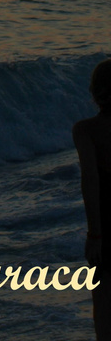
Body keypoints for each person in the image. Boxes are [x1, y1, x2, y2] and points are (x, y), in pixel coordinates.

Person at [74, 59, 111, 340]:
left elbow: (91, 181)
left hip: (106, 225)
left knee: (104, 304)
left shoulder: (86, 130)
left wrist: (95, 234)